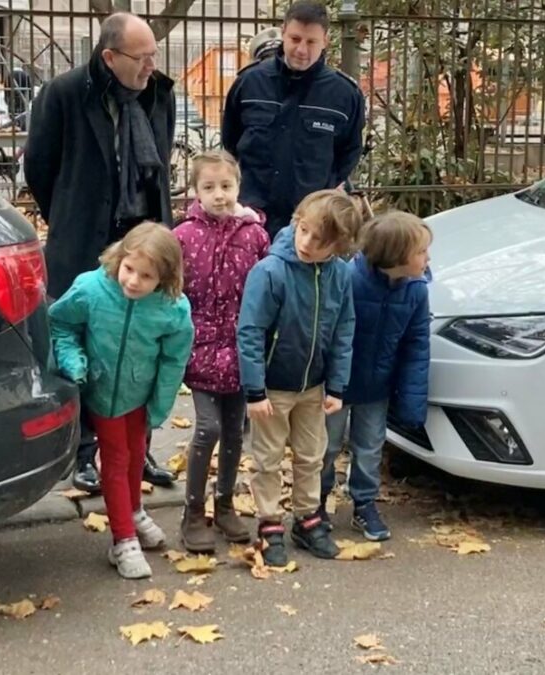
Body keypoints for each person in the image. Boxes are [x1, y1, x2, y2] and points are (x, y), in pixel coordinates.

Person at [25, 12, 177, 493]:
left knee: (141, 347)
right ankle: (86, 451)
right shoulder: (66, 94)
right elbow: (39, 169)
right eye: (142, 57)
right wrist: (72, 217)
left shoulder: (157, 93)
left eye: (155, 54)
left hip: (143, 241)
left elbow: (161, 165)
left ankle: (139, 448)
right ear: (109, 57)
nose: (151, 65)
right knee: (91, 347)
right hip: (86, 241)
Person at [48, 222, 194, 579]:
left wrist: (160, 402)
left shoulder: (172, 308)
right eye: (130, 269)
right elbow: (60, 323)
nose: (133, 281)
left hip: (141, 396)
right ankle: (123, 539)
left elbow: (174, 357)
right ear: (119, 257)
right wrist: (72, 360)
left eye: (146, 276)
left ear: (164, 278)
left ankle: (133, 510)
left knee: (134, 456)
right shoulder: (91, 289)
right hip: (103, 390)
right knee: (115, 459)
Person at [237, 189, 363, 566]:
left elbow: (344, 329)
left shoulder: (340, 275)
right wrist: (254, 389)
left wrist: (338, 384)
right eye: (303, 230)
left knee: (313, 455)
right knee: (268, 458)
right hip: (273, 387)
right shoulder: (270, 271)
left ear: (339, 247)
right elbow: (250, 331)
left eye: (320, 241)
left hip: (314, 386)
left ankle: (308, 519)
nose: (307, 243)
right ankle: (270, 522)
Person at [173, 151, 270, 553]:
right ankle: (193, 511)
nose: (219, 195)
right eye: (209, 187)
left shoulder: (254, 235)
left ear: (238, 187)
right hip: (200, 348)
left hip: (242, 348)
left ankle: (225, 503)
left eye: (226, 186)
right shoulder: (183, 236)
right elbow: (171, 288)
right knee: (208, 427)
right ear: (195, 190)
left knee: (234, 431)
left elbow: (266, 288)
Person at [319, 211, 431, 541]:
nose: (428, 258)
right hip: (335, 386)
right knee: (326, 446)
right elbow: (327, 331)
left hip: (376, 387)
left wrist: (411, 402)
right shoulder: (347, 281)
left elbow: (417, 345)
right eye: (422, 252)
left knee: (369, 447)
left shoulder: (416, 291)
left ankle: (364, 503)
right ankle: (315, 502)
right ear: (396, 257)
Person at [222, 0, 366, 240]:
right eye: (295, 39)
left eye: (311, 42)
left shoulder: (344, 94)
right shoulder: (249, 84)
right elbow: (231, 142)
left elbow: (348, 153)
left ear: (326, 41)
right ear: (283, 33)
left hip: (311, 225)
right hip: (252, 219)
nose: (302, 50)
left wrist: (323, 190)